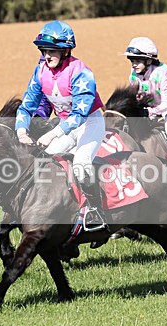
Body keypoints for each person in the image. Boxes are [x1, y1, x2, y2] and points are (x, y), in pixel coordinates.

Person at [15, 20, 108, 232]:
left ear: (66, 51)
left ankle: (96, 212)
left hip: (90, 124)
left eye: (53, 51)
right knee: (43, 160)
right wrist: (21, 131)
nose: (47, 56)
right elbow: (26, 106)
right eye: (44, 50)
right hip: (67, 126)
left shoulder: (81, 71)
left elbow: (80, 114)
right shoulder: (40, 71)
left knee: (81, 163)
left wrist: (52, 134)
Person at [123, 36, 167, 177]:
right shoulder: (134, 73)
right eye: (132, 61)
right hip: (148, 106)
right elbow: (134, 91)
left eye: (137, 61)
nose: (134, 65)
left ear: (149, 60)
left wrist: (149, 112)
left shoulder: (164, 72)